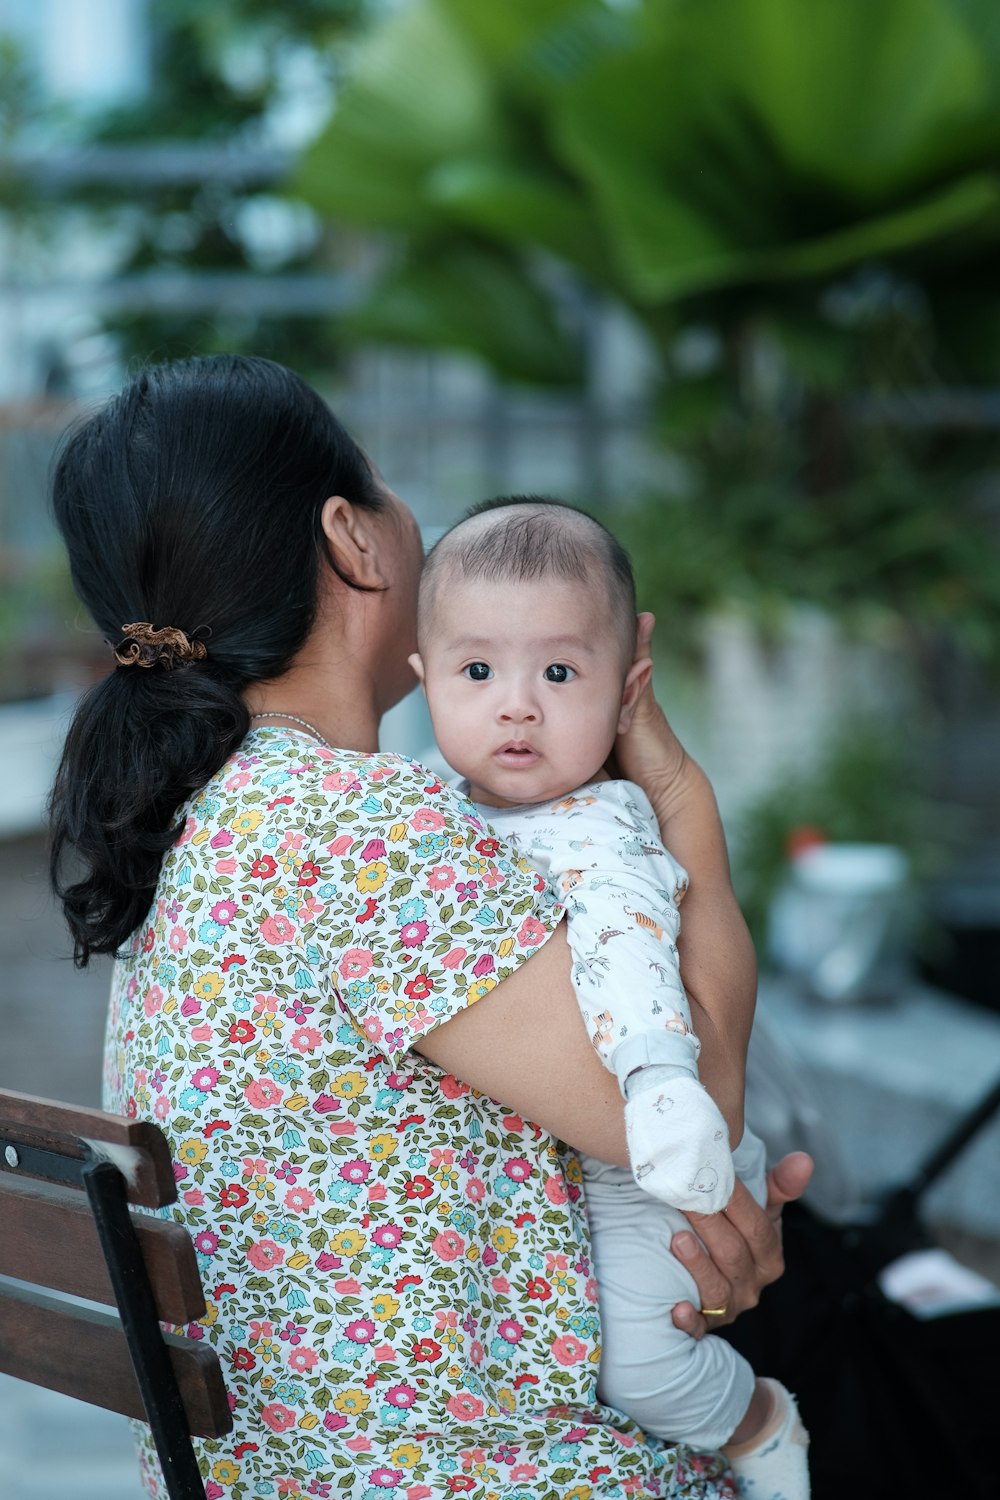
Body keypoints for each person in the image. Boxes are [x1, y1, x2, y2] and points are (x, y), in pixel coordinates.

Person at [48, 354, 811, 1500]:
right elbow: (699, 1111)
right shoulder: (357, 829)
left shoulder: (212, 814)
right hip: (483, 1473)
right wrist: (679, 793)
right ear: (353, 538)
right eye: (388, 487)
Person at [408, 497, 809, 1498]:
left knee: (640, 1365)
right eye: (476, 672)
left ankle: (760, 1425)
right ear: (422, 687)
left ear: (627, 691)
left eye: (557, 672)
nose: (517, 705)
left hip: (653, 1134)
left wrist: (660, 1079)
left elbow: (628, 947)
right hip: (559, 1149)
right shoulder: (418, 806)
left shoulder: (598, 824)